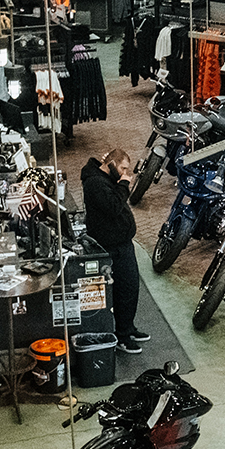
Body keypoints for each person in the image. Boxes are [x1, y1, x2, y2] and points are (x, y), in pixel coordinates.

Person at [80, 148, 151, 354]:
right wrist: (124, 185)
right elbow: (113, 206)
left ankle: (127, 328)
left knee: (130, 288)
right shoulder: (95, 183)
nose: (125, 173)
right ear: (110, 164)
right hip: (113, 247)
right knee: (124, 290)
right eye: (122, 168)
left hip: (122, 244)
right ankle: (122, 336)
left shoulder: (104, 178)